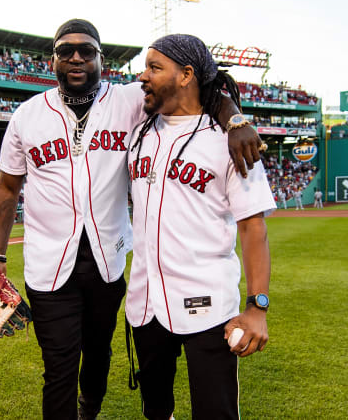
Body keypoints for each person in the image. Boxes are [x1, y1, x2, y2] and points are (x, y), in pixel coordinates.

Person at [0, 19, 263, 420]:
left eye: (87, 51)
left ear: (102, 60)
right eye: (66, 51)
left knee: (98, 353)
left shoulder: (130, 98)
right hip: (47, 264)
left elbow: (200, 87)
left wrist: (235, 119)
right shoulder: (27, 116)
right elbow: (6, 188)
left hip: (107, 262)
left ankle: (91, 404)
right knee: (58, 366)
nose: (77, 57)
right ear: (53, 60)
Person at [125, 34, 275, 420]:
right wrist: (233, 112)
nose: (143, 76)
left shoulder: (231, 142)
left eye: (155, 67)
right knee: (156, 410)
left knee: (215, 412)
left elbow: (253, 229)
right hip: (145, 302)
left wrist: (257, 307)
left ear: (187, 74)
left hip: (208, 305)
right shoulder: (140, 131)